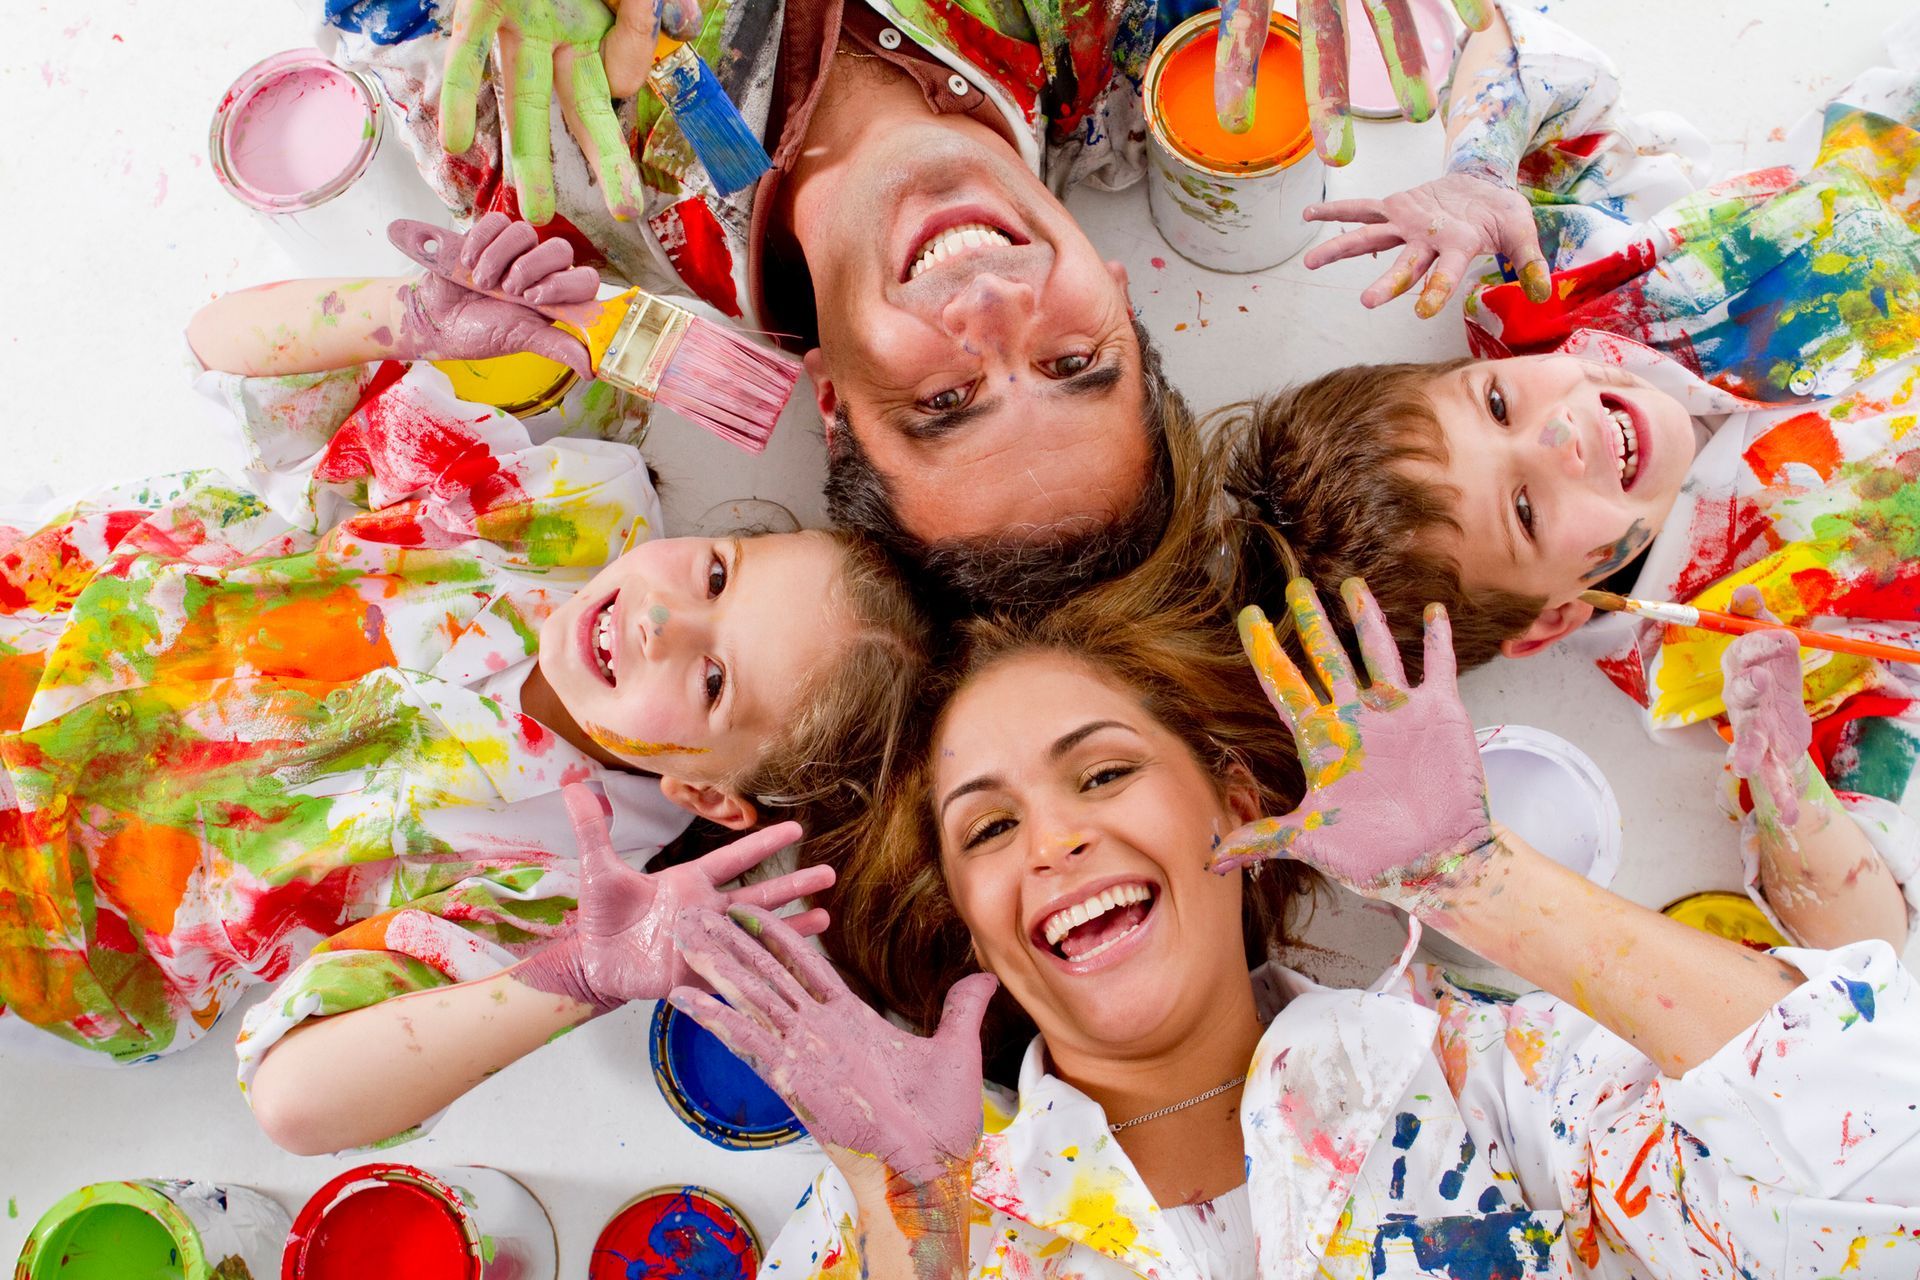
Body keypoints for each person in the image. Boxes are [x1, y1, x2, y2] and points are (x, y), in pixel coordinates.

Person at [668, 577, 1920, 1280]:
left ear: (1239, 806)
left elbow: (1880, 1191)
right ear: (978, 933)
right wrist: (921, 1232)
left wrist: (1481, 879)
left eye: (1102, 774)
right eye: (988, 831)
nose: (1052, 841)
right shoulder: (898, 1211)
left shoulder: (1501, 1089)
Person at [0, 215, 926, 1080]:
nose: (661, 621)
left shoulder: (566, 893)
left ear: (708, 796)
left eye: (715, 681)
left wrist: (582, 983)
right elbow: (222, 351)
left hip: (55, 905)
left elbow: (291, 1088)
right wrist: (410, 317)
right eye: (718, 577)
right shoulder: (568, 511)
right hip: (58, 610)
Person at [1210, 4, 1920, 949]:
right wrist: (1789, 776)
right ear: (1554, 615)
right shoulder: (1727, 661)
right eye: (1524, 510)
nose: (1558, 439)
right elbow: (1864, 931)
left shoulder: (1562, 287)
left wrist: (1479, 170)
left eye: (1498, 405)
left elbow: (1519, 46)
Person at [316, 0, 1207, 610]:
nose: (995, 304)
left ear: (834, 407)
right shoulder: (1152, 48)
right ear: (1120, 303)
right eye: (1074, 363)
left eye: (946, 403)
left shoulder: (540, 157)